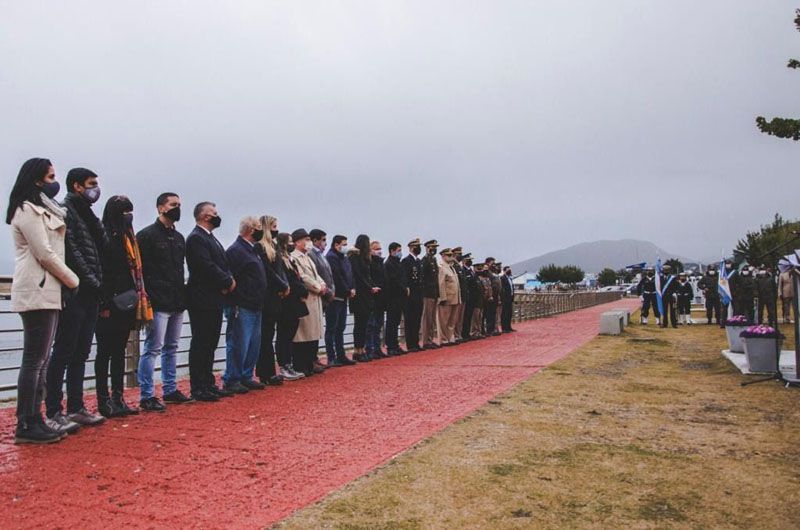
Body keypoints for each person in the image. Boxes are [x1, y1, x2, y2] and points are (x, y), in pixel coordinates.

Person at [7, 158, 80, 443]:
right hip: (37, 289)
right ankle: (27, 422)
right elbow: (44, 253)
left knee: (40, 359)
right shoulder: (27, 210)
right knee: (35, 360)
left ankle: (35, 418)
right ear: (37, 180)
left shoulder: (42, 209)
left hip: (47, 289)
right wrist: (73, 280)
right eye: (50, 176)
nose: (54, 181)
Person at [46, 167, 107, 428]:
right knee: (63, 351)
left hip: (91, 293)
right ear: (77, 186)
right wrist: (91, 283)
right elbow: (72, 252)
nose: (96, 189)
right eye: (91, 184)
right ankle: (53, 410)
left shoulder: (87, 214)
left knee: (81, 352)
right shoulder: (66, 211)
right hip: (75, 292)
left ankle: (76, 406)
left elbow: (100, 246)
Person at [95, 195, 152, 416]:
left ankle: (118, 397)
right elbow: (103, 272)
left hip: (127, 301)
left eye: (130, 211)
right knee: (105, 352)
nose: (129, 215)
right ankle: (103, 399)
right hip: (110, 303)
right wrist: (104, 303)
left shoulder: (130, 238)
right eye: (124, 211)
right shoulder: (106, 237)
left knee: (119, 351)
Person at [137, 192, 193, 411]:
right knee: (152, 348)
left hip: (177, 300)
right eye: (173, 204)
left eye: (179, 204)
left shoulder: (179, 238)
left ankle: (170, 388)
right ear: (161, 207)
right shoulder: (147, 236)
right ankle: (147, 394)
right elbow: (141, 271)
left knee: (172, 347)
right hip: (158, 301)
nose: (177, 208)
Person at [186, 202, 235, 402]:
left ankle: (208, 382)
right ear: (204, 216)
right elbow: (206, 266)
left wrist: (229, 279)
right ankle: (198, 386)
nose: (217, 216)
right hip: (202, 298)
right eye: (214, 213)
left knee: (211, 341)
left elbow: (222, 264)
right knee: (201, 341)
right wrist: (226, 280)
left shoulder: (211, 239)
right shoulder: (196, 238)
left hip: (214, 297)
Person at [222, 216, 268, 394]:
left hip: (255, 305)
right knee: (238, 342)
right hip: (241, 305)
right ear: (250, 230)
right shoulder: (236, 251)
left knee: (252, 343)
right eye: (257, 227)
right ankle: (232, 378)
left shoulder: (252, 250)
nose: (260, 230)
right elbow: (231, 276)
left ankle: (246, 375)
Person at [254, 215, 289, 385]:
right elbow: (268, 272)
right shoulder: (261, 247)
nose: (277, 229)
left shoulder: (273, 246)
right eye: (274, 226)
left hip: (276, 296)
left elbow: (280, 271)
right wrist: (283, 285)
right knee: (266, 336)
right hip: (268, 296)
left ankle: (268, 371)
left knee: (269, 334)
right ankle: (265, 372)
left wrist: (284, 285)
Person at [291, 229, 327, 376]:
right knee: (303, 333)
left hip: (315, 298)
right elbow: (303, 277)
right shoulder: (295, 257)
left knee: (313, 332)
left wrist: (322, 284)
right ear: (297, 242)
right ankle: (301, 364)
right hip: (307, 298)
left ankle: (310, 361)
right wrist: (318, 287)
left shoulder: (307, 257)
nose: (308, 242)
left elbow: (316, 274)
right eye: (305, 239)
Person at [276, 232, 308, 380]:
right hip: (287, 303)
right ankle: (284, 365)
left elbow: (298, 277)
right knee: (284, 335)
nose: (292, 244)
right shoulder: (281, 260)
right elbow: (290, 279)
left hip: (295, 302)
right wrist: (302, 289)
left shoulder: (289, 259)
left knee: (289, 335)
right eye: (289, 242)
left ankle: (288, 364)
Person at [325, 235, 356, 366]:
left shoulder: (344, 258)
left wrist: (352, 288)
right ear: (337, 245)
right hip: (335, 297)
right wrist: (348, 290)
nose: (345, 246)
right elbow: (337, 277)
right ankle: (331, 357)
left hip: (343, 297)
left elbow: (350, 274)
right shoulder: (331, 257)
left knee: (341, 327)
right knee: (332, 328)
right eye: (344, 244)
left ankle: (341, 355)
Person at [308, 229, 335, 371]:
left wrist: (331, 290)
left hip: (326, 296)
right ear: (315, 240)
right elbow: (316, 275)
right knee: (313, 329)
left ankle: (314, 357)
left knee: (318, 328)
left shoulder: (321, 255)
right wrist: (327, 291)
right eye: (323, 240)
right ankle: (311, 358)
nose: (325, 243)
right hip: (319, 295)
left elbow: (328, 275)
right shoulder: (312, 254)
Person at [350, 235, 376, 362]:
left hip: (365, 295)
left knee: (364, 324)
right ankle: (357, 350)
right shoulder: (354, 258)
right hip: (359, 295)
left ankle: (361, 348)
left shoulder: (364, 259)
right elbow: (359, 276)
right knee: (359, 324)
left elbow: (367, 276)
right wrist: (370, 287)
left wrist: (371, 286)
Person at [384, 242, 409, 355]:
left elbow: (403, 278)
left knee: (396, 322)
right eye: (398, 250)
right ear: (392, 251)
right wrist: (404, 288)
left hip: (400, 298)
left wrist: (406, 287)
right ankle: (390, 346)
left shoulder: (398, 263)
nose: (400, 252)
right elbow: (393, 280)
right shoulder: (389, 264)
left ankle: (395, 345)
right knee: (391, 323)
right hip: (392, 298)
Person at [401, 238, 424, 352]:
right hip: (410, 294)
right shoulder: (406, 261)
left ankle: (416, 342)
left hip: (419, 293)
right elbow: (405, 277)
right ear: (410, 247)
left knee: (417, 319)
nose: (418, 248)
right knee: (410, 319)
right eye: (416, 246)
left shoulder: (418, 261)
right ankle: (410, 344)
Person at [367, 240, 387, 359]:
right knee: (371, 325)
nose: (379, 251)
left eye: (379, 248)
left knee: (379, 325)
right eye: (376, 248)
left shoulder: (381, 263)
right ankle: (369, 349)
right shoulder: (369, 263)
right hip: (372, 297)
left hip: (381, 299)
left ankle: (377, 348)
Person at [437, 248, 461, 345]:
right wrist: (442, 298)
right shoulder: (441, 267)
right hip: (447, 297)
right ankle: (443, 339)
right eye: (449, 255)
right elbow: (441, 283)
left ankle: (450, 337)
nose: (451, 258)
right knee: (444, 320)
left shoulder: (452, 267)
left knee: (452, 320)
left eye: (451, 255)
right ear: (443, 256)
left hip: (455, 297)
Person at [420, 239, 441, 349]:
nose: (434, 249)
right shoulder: (425, 260)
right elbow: (422, 278)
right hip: (427, 293)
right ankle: (426, 341)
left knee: (432, 318)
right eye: (432, 247)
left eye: (435, 247)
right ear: (427, 248)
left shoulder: (433, 260)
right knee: (427, 318)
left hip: (434, 293)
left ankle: (430, 338)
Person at [451, 247, 468, 342]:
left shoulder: (459, 266)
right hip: (457, 295)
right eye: (458, 254)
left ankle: (459, 334)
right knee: (456, 317)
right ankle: (456, 335)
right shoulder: (454, 265)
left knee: (460, 317)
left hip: (463, 295)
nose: (460, 256)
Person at [460, 254, 478, 339]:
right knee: (465, 316)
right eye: (468, 259)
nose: (470, 261)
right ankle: (464, 334)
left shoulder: (471, 270)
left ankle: (467, 333)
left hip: (473, 296)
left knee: (469, 316)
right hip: (467, 295)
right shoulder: (463, 270)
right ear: (464, 260)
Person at [484, 257, 501, 336]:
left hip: (495, 294)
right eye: (492, 263)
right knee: (489, 313)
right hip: (489, 294)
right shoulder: (486, 271)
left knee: (493, 313)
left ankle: (493, 329)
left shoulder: (494, 272)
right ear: (487, 263)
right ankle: (489, 329)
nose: (494, 265)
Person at [659, 264, 678, 329]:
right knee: (664, 310)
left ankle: (674, 324)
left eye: (667, 270)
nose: (666, 271)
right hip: (664, 296)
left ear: (669, 271)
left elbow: (676, 286)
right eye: (665, 270)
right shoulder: (660, 278)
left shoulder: (673, 278)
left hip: (671, 295)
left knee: (673, 310)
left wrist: (675, 293)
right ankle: (665, 324)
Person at [500, 266, 516, 332]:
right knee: (505, 313)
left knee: (509, 313)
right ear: (504, 271)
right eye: (508, 270)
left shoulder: (510, 278)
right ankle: (504, 328)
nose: (509, 271)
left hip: (510, 297)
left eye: (510, 269)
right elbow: (502, 289)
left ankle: (509, 327)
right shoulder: (502, 278)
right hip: (505, 298)